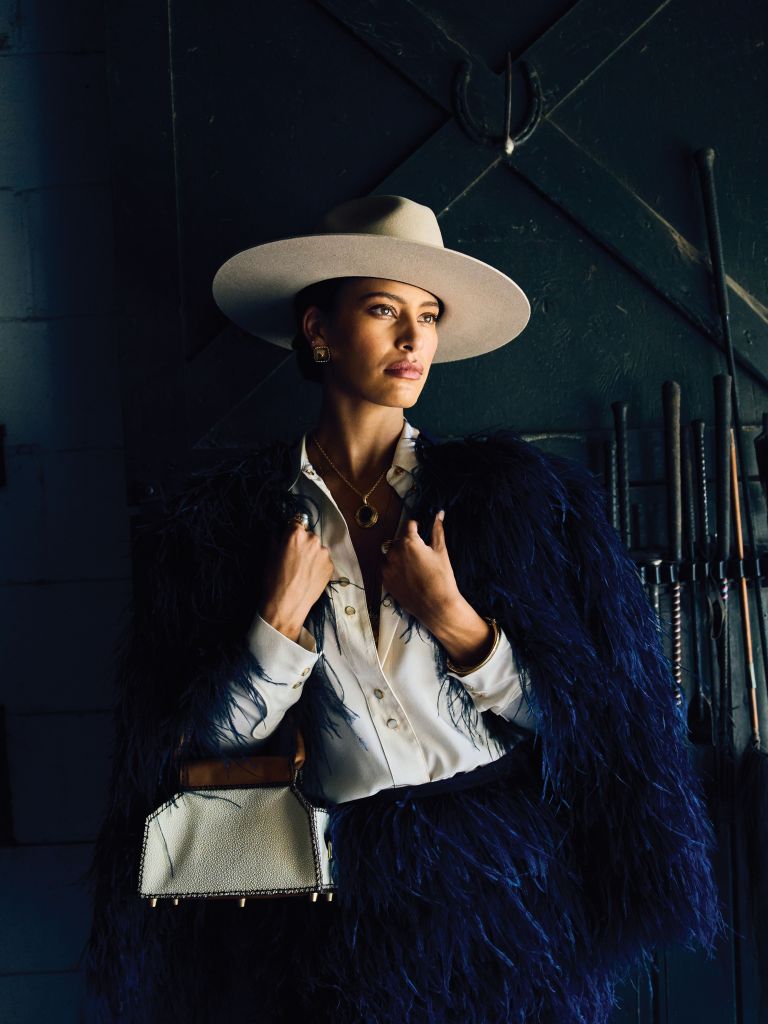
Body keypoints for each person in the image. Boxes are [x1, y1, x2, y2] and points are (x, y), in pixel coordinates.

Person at [84, 195, 726, 1024]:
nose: (414, 338)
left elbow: (593, 725)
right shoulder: (223, 528)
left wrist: (457, 620)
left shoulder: (516, 503)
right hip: (328, 917)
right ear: (318, 331)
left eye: (427, 316)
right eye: (384, 309)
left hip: (506, 894)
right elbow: (195, 747)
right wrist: (275, 630)